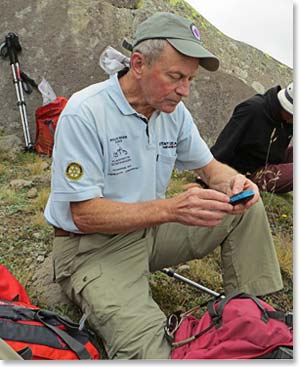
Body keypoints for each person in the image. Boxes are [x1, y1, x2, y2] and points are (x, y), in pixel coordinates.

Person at [44, 12, 283, 359]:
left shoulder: (172, 112)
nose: (184, 90)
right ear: (138, 64)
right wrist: (171, 209)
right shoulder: (87, 113)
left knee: (244, 209)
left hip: (151, 231)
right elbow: (84, 215)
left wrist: (233, 181)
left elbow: (211, 167)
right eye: (175, 77)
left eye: (190, 79)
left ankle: (252, 315)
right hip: (92, 248)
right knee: (150, 354)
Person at [211, 83, 293, 193]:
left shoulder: (286, 122)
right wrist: (212, 174)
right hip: (247, 174)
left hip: (271, 161)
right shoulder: (253, 109)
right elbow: (226, 143)